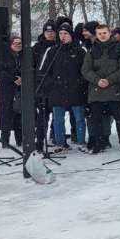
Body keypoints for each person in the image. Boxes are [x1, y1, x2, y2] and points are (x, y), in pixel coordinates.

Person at [81, 25, 120, 154]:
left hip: (114, 89)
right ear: (96, 35)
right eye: (99, 33)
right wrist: (97, 80)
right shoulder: (91, 50)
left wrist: (109, 80)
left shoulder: (119, 48)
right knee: (96, 119)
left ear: (110, 33)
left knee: (119, 119)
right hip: (96, 90)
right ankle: (98, 144)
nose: (102, 35)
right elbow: (85, 70)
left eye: (104, 33)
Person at [39, 23, 87, 152]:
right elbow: (43, 72)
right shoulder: (52, 51)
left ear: (71, 35)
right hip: (57, 90)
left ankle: (81, 142)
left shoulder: (80, 51)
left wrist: (79, 83)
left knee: (79, 118)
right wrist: (52, 84)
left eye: (65, 33)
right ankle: (60, 142)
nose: (63, 36)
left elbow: (86, 71)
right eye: (60, 34)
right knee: (58, 119)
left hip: (76, 90)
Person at [32, 21, 58, 152]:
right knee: (43, 116)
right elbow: (32, 67)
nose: (50, 34)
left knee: (57, 116)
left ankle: (56, 138)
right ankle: (39, 142)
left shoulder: (59, 46)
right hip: (41, 86)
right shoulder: (36, 48)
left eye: (52, 32)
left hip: (57, 85)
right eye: (47, 32)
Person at [0, 36, 23, 148]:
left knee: (19, 114)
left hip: (21, 89)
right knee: (5, 114)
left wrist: (22, 79)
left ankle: (20, 140)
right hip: (7, 90)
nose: (18, 45)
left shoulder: (24, 56)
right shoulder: (4, 57)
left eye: (20, 43)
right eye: (15, 43)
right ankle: (5, 141)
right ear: (10, 45)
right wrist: (13, 79)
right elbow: (0, 72)